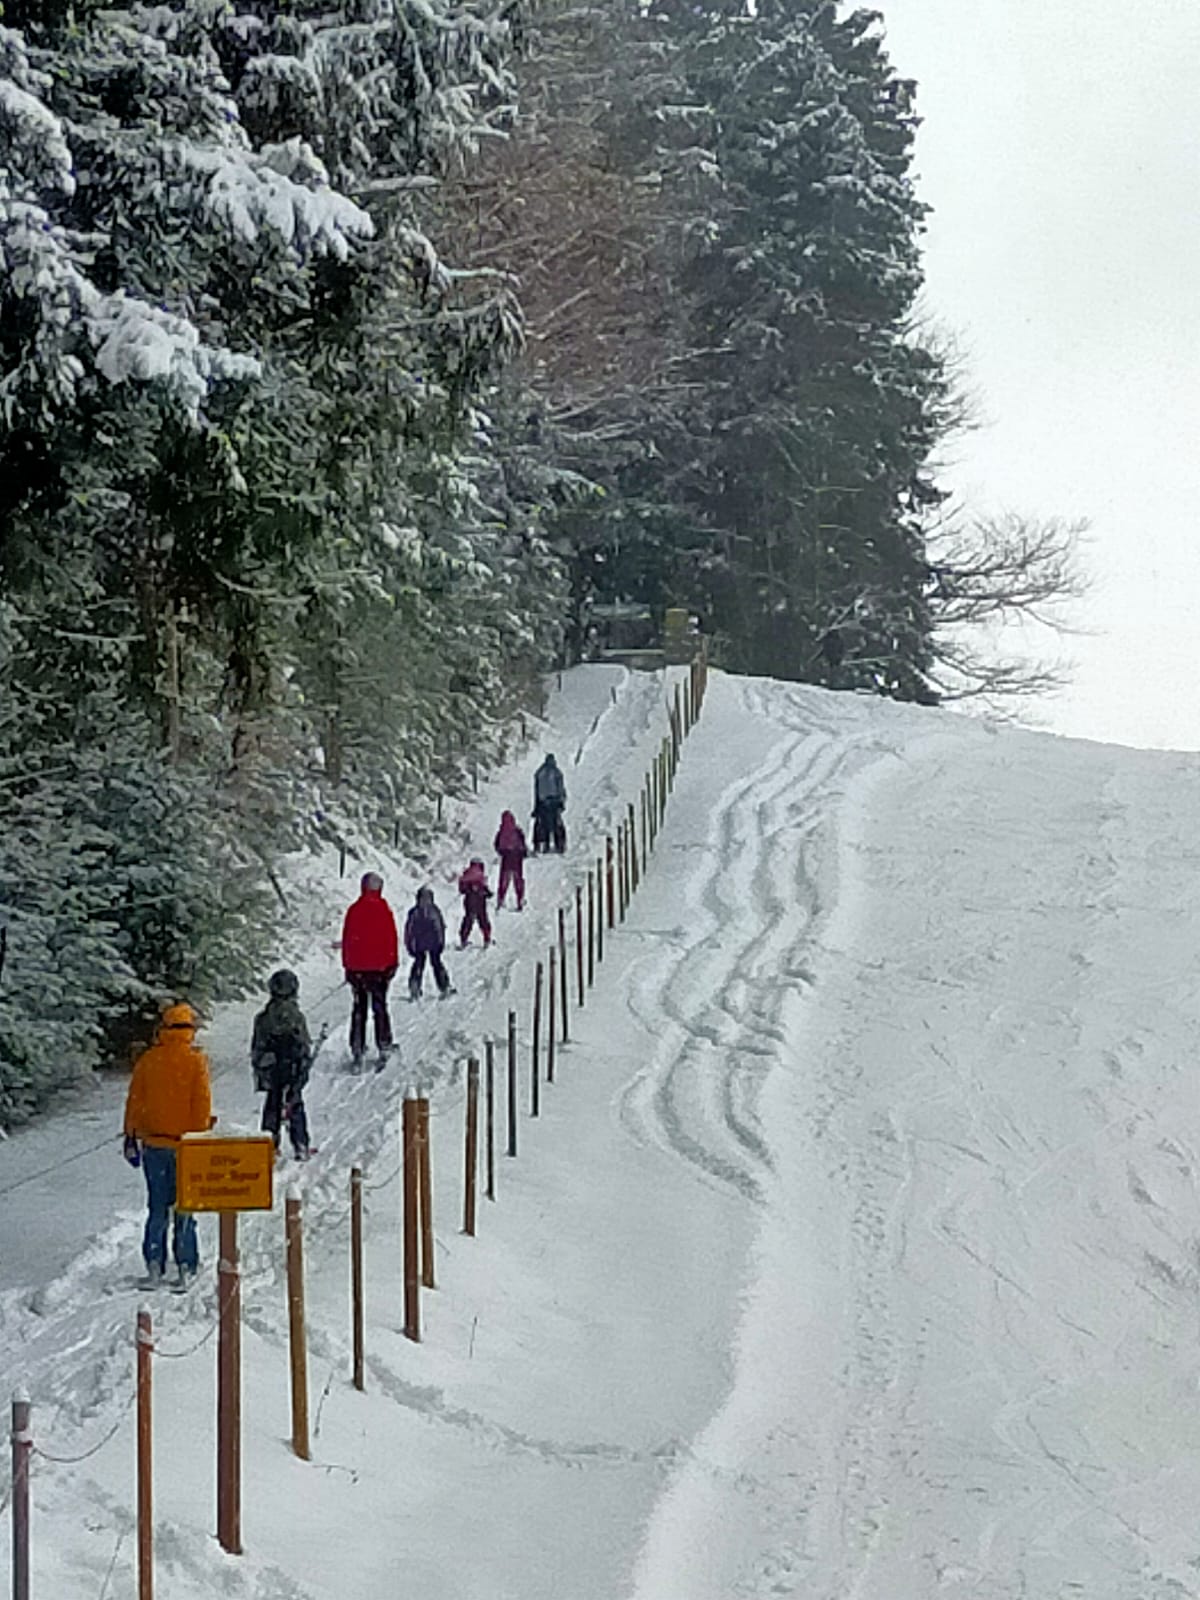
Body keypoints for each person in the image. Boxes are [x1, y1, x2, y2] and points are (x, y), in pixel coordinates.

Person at [122, 1002, 213, 1289]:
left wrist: (130, 1135)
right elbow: (201, 1104)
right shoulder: (196, 1061)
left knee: (157, 1207)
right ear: (189, 1030)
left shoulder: (149, 1061)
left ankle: (154, 1264)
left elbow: (135, 1101)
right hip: (186, 1147)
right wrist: (200, 1134)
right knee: (184, 1206)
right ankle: (186, 1264)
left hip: (154, 1145)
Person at [251, 970, 313, 1159]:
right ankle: (300, 1143)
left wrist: (260, 1068)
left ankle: (269, 1144)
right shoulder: (297, 1017)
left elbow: (257, 1046)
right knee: (295, 1103)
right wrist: (303, 1067)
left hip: (272, 1068)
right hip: (292, 1066)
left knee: (272, 1105)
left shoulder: (263, 1018)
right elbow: (304, 1044)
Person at [341, 871, 398, 1069]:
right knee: (380, 1008)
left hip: (357, 970)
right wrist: (392, 964)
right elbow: (391, 938)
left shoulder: (354, 910)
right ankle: (384, 1044)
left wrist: (347, 966)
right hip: (379, 970)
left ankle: (357, 1048)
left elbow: (347, 940)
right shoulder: (383, 909)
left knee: (359, 1009)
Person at [405, 886, 453, 999]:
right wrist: (441, 942)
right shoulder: (434, 911)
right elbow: (439, 928)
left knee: (419, 964)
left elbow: (409, 930)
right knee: (436, 964)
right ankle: (444, 986)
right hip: (433, 943)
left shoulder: (414, 912)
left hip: (419, 944)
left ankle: (415, 987)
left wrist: (409, 945)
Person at [493, 809, 528, 910]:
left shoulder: (501, 832)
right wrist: (523, 854)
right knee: (518, 880)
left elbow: (496, 845)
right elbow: (523, 845)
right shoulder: (517, 831)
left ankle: (500, 900)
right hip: (517, 859)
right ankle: (520, 900)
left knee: (503, 880)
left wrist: (502, 852)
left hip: (506, 859)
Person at [532, 753, 567, 854]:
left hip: (542, 802)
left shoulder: (539, 773)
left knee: (543, 824)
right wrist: (562, 801)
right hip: (554, 802)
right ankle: (559, 845)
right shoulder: (557, 772)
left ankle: (544, 845)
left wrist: (536, 805)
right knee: (556, 823)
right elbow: (560, 788)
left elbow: (536, 790)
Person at [458, 859, 493, 948]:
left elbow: (461, 890)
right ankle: (487, 939)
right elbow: (485, 888)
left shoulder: (466, 874)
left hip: (468, 900)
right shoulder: (480, 875)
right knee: (483, 919)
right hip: (480, 900)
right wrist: (489, 894)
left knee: (468, 919)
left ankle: (463, 939)